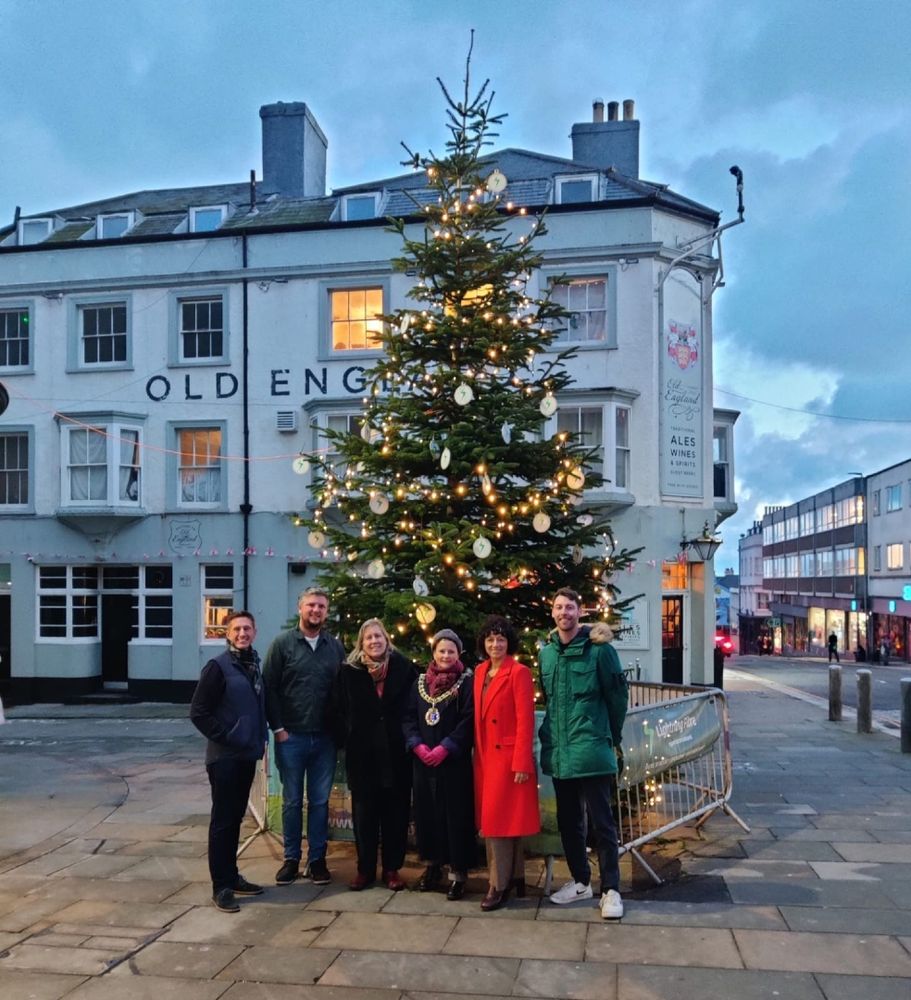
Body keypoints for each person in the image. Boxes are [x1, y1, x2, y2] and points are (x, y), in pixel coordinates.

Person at [539, 588, 627, 920]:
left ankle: (611, 890)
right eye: (559, 607)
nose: (565, 613)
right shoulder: (547, 654)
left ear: (580, 612)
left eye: (570, 607)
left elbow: (618, 698)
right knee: (569, 821)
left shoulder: (600, 652)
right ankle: (580, 881)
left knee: (602, 822)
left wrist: (610, 737)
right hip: (561, 752)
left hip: (591, 748)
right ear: (552, 612)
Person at [263, 586, 345, 886]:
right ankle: (291, 859)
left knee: (321, 802)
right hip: (291, 737)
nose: (316, 611)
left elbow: (343, 691)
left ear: (326, 611)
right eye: (311, 605)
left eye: (321, 606)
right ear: (300, 608)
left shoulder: (334, 647)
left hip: (324, 739)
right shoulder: (283, 644)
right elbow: (269, 687)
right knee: (292, 801)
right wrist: (278, 728)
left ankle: (317, 860)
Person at [190, 610, 268, 913]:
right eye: (236, 629)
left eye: (247, 628)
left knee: (235, 819)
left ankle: (232, 876)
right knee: (223, 821)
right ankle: (220, 886)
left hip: (246, 755)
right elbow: (198, 712)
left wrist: (259, 737)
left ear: (254, 632)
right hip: (224, 758)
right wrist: (228, 735)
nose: (242, 634)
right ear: (227, 633)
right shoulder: (218, 667)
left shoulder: (253, 664)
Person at [333, 618, 416, 891]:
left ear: (387, 639)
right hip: (363, 754)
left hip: (396, 754)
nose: (374, 641)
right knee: (364, 815)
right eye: (368, 637)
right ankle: (365, 869)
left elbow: (415, 706)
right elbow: (337, 708)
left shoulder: (403, 668)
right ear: (361, 642)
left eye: (378, 636)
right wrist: (346, 736)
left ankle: (392, 869)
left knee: (396, 814)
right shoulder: (349, 671)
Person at [472, 615, 540, 912]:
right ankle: (516, 878)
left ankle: (497, 886)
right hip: (486, 756)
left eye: (500, 639)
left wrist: (522, 761)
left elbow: (526, 720)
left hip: (509, 758)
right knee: (504, 821)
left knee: (497, 824)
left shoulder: (519, 672)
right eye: (490, 639)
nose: (495, 644)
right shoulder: (480, 671)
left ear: (508, 642)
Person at [403, 628, 475, 900]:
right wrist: (417, 745)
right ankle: (433, 866)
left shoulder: (466, 683)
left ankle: (458, 873)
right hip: (423, 763)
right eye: (441, 650)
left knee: (455, 816)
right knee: (427, 815)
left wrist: (447, 747)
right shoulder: (419, 683)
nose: (446, 656)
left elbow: (469, 720)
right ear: (433, 652)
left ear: (459, 654)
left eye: (451, 651)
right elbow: (409, 717)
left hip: (453, 764)